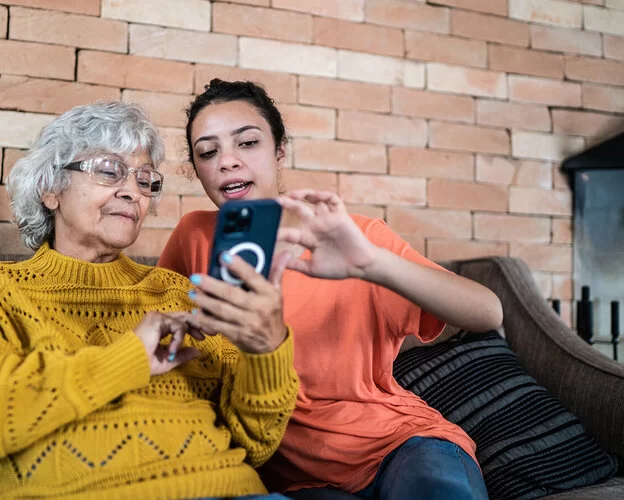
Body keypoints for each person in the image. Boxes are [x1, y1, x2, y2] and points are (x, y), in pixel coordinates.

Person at [0, 101, 300, 499]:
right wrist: (128, 358)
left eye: (145, 180)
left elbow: (255, 444)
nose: (132, 191)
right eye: (109, 171)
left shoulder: (177, 292)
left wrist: (266, 348)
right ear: (50, 190)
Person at [158, 79, 504, 499]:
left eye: (247, 143)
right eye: (208, 152)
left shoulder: (353, 235)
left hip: (400, 446)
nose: (227, 162)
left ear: (280, 151)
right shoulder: (194, 237)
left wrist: (372, 263)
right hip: (295, 478)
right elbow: (162, 340)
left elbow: (488, 313)